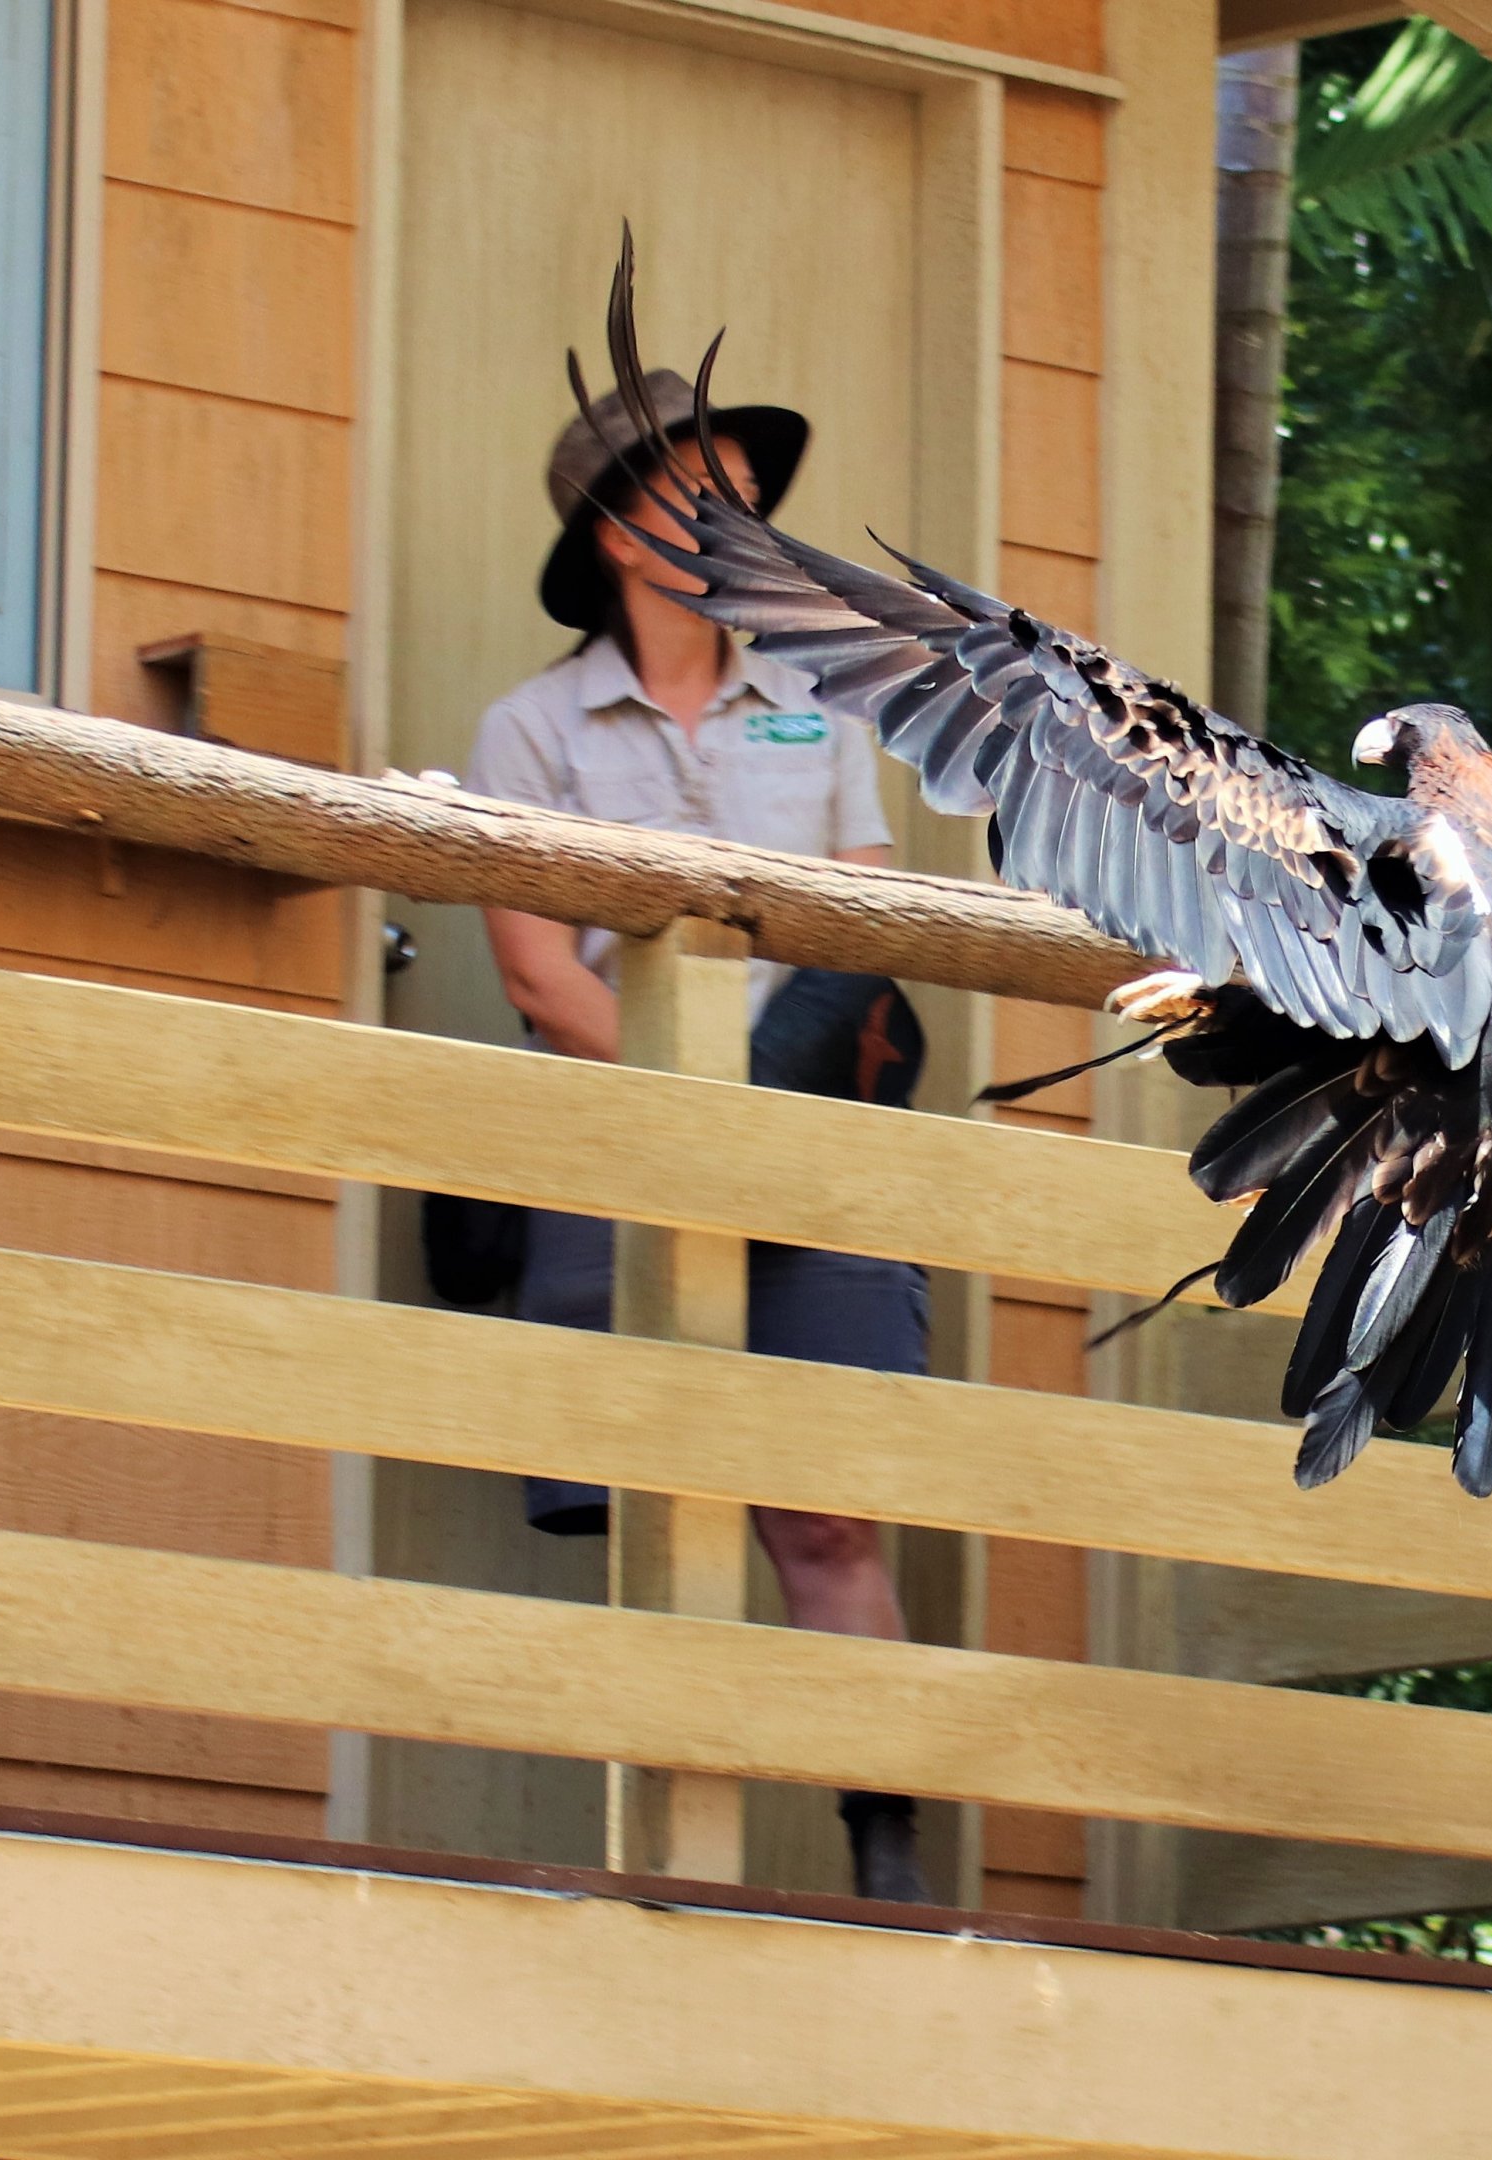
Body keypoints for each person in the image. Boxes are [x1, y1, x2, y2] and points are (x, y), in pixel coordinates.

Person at [464, 367, 935, 1905]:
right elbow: (537, 973)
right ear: (614, 533)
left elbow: (871, 913)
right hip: (629, 1153)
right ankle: (672, 1880)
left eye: (747, 494)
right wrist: (696, 1103)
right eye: (695, 494)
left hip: (812, 1155)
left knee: (827, 1510)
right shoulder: (529, 729)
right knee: (650, 1521)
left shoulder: (821, 700)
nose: (735, 522)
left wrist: (774, 1113)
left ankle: (886, 1864)